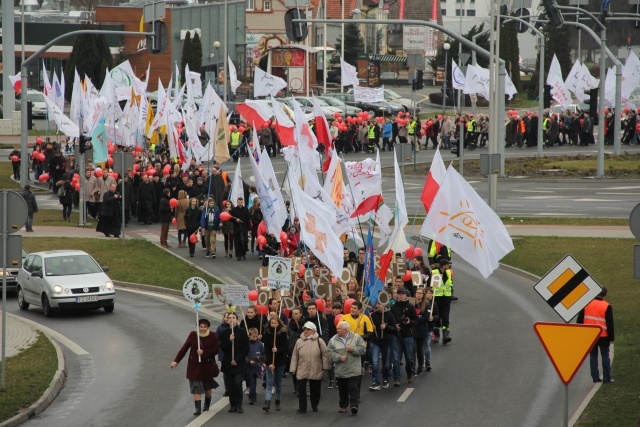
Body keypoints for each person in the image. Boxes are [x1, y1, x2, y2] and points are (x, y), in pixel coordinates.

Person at [170, 318, 220, 416]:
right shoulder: (193, 335)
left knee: (207, 388)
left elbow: (216, 350)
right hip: (194, 366)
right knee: (196, 387)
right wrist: (176, 361)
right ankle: (198, 408)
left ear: (208, 328)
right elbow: (184, 349)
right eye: (201, 327)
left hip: (207, 366)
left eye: (205, 327)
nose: (203, 329)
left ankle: (207, 403)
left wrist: (204, 352)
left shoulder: (213, 336)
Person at [289, 321, 330, 414]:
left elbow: (325, 354)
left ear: (313, 330)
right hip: (302, 368)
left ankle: (314, 405)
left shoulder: (319, 341)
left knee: (315, 389)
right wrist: (293, 369)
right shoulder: (299, 341)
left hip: (316, 367)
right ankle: (302, 408)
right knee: (302, 389)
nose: (306, 331)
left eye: (308, 329)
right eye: (305, 329)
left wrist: (325, 366)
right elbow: (295, 355)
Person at [327, 321, 366, 415]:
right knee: (342, 389)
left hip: (354, 370)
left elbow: (363, 349)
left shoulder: (356, 337)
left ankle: (354, 406)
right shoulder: (333, 340)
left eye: (339, 328)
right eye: (337, 328)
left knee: (353, 389)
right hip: (341, 371)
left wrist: (352, 349)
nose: (337, 330)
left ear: (345, 330)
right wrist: (339, 358)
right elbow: (329, 352)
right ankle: (343, 406)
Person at [577, 287, 615, 383]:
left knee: (593, 356)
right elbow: (610, 324)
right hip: (603, 335)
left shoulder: (587, 304)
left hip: (590, 335)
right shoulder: (607, 306)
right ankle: (607, 377)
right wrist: (611, 337)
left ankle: (595, 377)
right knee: (605, 355)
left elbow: (579, 320)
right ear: (605, 294)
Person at [218, 312, 250, 413]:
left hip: (238, 362)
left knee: (237, 383)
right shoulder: (224, 333)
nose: (231, 319)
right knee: (230, 385)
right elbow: (223, 347)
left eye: (233, 318)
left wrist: (237, 359)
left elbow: (246, 349)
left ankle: (239, 404)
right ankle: (232, 404)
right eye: (229, 318)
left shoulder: (242, 332)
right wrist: (229, 340)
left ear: (237, 320)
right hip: (227, 363)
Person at [261, 315, 289, 413]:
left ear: (278, 323)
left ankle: (277, 401)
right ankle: (267, 402)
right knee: (269, 382)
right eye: (271, 323)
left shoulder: (283, 333)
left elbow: (286, 348)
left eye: (275, 323)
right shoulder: (267, 333)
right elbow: (267, 350)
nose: (273, 325)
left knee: (278, 382)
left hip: (280, 361)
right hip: (270, 362)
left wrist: (278, 350)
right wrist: (269, 363)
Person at [390, 287, 417, 385]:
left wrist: (409, 322)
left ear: (406, 295)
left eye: (402, 294)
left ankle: (409, 373)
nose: (401, 296)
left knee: (409, 357)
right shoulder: (392, 307)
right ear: (396, 295)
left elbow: (416, 320)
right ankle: (397, 378)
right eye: (399, 294)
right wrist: (394, 326)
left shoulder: (410, 306)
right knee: (396, 358)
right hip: (396, 335)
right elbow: (389, 320)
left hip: (407, 335)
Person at [368, 301, 396, 390]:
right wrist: (372, 328)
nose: (377, 305)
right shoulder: (373, 315)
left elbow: (394, 329)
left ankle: (385, 379)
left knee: (386, 363)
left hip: (387, 341)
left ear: (384, 305)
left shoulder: (390, 315)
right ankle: (375, 381)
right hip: (375, 341)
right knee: (375, 362)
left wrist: (386, 327)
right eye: (376, 304)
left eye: (379, 304)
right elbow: (368, 328)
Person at [414, 287, 439, 374]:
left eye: (421, 293)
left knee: (426, 345)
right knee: (414, 349)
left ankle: (426, 362)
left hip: (426, 329)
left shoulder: (430, 304)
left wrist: (433, 318)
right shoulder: (413, 303)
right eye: (417, 292)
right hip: (413, 330)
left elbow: (435, 315)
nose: (418, 294)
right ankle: (414, 366)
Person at [429, 259, 453, 344]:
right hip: (437, 297)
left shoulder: (449, 272)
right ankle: (436, 335)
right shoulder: (434, 272)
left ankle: (445, 336)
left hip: (446, 297)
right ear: (443, 265)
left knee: (445, 315)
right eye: (447, 265)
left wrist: (451, 295)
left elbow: (451, 284)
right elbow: (429, 284)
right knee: (437, 316)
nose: (448, 266)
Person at [245, 327, 265, 405]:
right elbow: (244, 354)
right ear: (249, 335)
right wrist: (249, 360)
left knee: (253, 381)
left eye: (256, 336)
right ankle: (252, 395)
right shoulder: (246, 344)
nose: (255, 338)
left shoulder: (259, 344)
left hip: (257, 365)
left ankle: (252, 397)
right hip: (248, 365)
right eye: (253, 336)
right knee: (250, 381)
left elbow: (263, 354)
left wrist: (262, 361)